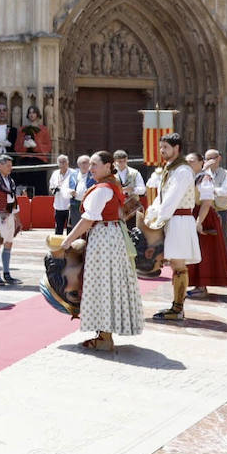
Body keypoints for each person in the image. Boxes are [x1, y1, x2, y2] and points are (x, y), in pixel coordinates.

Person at [59, 150, 143, 352]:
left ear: (108, 165)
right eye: (90, 165)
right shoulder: (112, 184)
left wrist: (67, 241)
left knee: (102, 282)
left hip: (104, 238)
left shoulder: (103, 188)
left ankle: (105, 336)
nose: (91, 168)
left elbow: (88, 219)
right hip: (111, 236)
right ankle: (104, 333)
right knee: (109, 282)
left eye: (95, 164)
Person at [142, 133, 200, 322]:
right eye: (161, 147)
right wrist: (152, 213)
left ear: (177, 148)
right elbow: (162, 198)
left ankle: (178, 308)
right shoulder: (170, 169)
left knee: (178, 265)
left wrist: (158, 220)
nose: (162, 151)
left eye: (165, 147)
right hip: (172, 220)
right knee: (175, 265)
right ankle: (176, 305)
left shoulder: (182, 170)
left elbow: (172, 198)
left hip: (179, 221)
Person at [186, 152, 227, 299]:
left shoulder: (204, 178)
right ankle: (196, 284)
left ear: (200, 162)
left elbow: (206, 202)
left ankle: (201, 285)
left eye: (192, 161)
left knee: (203, 251)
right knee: (193, 250)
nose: (189, 164)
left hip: (203, 216)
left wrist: (199, 222)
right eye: (187, 161)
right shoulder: (191, 177)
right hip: (193, 214)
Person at [0, 154, 21, 285]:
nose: (10, 168)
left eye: (11, 165)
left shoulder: (10, 181)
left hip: (9, 216)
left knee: (8, 243)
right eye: (8, 165)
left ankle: (7, 273)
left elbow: (14, 201)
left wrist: (18, 219)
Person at [112, 150, 145, 223]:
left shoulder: (134, 172)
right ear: (114, 161)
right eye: (119, 161)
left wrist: (132, 189)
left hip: (132, 207)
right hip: (117, 207)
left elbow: (142, 189)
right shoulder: (111, 174)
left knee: (133, 231)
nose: (122, 164)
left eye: (124, 161)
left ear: (127, 160)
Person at [48, 154, 75, 235]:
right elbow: (51, 187)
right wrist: (54, 189)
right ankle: (58, 247)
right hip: (58, 205)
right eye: (60, 162)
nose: (62, 164)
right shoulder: (55, 173)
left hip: (70, 205)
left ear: (68, 163)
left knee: (70, 228)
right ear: (58, 163)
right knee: (58, 229)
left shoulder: (73, 173)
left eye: (64, 162)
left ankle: (70, 246)